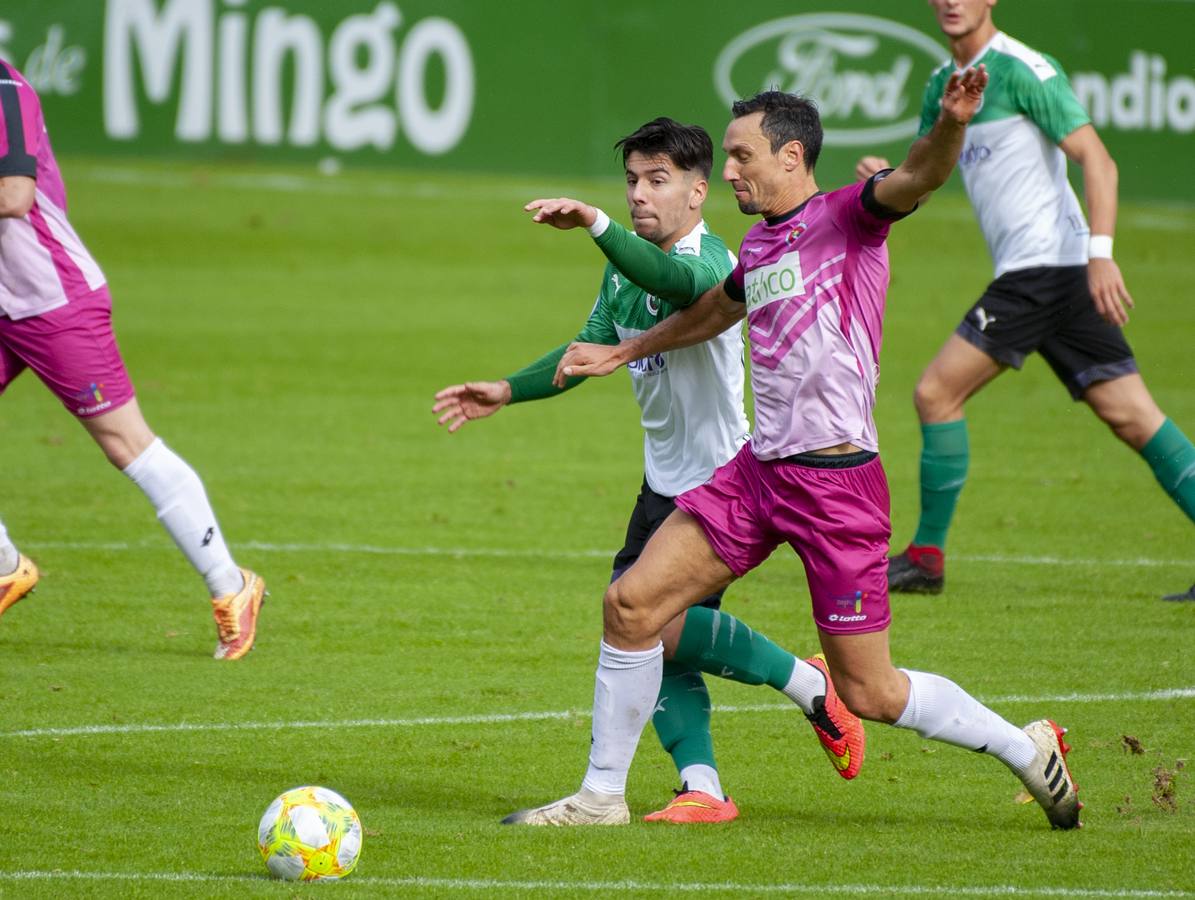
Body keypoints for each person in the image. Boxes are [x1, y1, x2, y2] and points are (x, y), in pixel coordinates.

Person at [502, 71, 1083, 831]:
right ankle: (600, 796)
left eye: (742, 156)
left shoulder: (850, 216)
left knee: (871, 693)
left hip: (836, 485)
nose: (730, 171)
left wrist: (949, 123)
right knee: (631, 604)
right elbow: (714, 309)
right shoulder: (758, 244)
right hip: (757, 475)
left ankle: (1024, 747)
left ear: (791, 157)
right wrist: (629, 349)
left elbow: (921, 173)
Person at [434, 118, 864, 824]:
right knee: (650, 642)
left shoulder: (710, 261)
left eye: (656, 180)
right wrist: (507, 390)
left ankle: (808, 684)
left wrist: (597, 223)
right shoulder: (621, 271)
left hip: (722, 487)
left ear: (699, 192)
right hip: (660, 487)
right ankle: (704, 787)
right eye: (631, 181)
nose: (639, 194)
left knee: (648, 627)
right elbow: (591, 348)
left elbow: (665, 276)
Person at [856, 0, 1195, 600]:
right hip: (1056, 276)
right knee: (1136, 419)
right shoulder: (942, 85)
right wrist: (888, 177)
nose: (953, 1)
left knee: (936, 393)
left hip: (1043, 270)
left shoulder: (1024, 69)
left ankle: (927, 559)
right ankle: (926, 558)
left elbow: (1099, 161)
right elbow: (927, 176)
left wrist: (1102, 251)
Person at [0, 60, 265, 659]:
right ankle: (5, 566)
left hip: (51, 296)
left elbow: (14, 196)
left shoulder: (5, 91)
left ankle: (232, 585)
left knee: (124, 443)